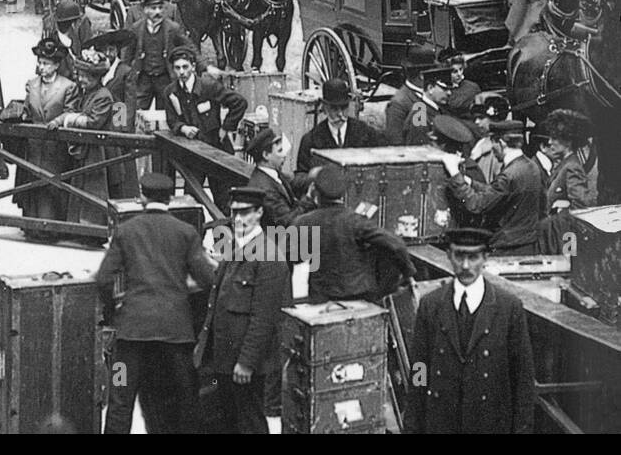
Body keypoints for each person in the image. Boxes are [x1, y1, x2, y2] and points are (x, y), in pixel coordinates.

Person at [97, 172, 218, 434]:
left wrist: (114, 311)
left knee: (119, 398)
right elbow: (208, 279)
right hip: (175, 337)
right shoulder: (186, 233)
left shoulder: (125, 231)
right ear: (170, 199)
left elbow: (103, 279)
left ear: (142, 197)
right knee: (184, 398)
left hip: (129, 337)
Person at [407, 227, 536, 434]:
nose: (466, 266)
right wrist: (413, 424)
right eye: (459, 256)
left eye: (473, 257)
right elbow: (419, 368)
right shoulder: (430, 305)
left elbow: (523, 379)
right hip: (442, 424)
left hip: (490, 424)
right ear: (449, 255)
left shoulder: (508, 308)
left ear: (485, 257)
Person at [195, 186, 291, 435]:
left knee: (250, 424)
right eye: (234, 213)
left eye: (246, 213)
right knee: (227, 422)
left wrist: (247, 363)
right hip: (226, 361)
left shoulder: (268, 256)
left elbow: (264, 318)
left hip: (245, 365)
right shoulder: (237, 249)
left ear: (259, 213)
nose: (238, 219)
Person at [293, 165, 415, 303]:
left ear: (315, 191)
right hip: (359, 298)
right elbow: (397, 245)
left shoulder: (304, 222)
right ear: (344, 192)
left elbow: (287, 257)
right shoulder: (356, 221)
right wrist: (407, 273)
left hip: (321, 298)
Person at [441, 120, 545, 255]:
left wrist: (454, 173)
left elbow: (476, 205)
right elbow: (497, 192)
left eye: (493, 143)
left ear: (501, 143)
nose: (492, 149)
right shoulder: (531, 166)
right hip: (527, 244)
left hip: (507, 248)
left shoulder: (509, 175)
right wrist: (468, 181)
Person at [18, 37, 80, 234]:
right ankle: (32, 226)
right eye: (40, 62)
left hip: (55, 146)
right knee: (33, 184)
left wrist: (57, 122)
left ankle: (54, 228)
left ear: (56, 65)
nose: (41, 67)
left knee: (54, 186)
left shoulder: (68, 87)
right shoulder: (31, 84)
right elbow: (27, 109)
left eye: (45, 63)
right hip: (34, 144)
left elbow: (70, 111)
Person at [52, 55, 116, 231]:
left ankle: (94, 229)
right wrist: (62, 119)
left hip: (97, 150)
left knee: (94, 187)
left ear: (96, 77)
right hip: (85, 147)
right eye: (79, 75)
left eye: (85, 76)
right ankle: (78, 226)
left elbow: (94, 122)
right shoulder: (85, 92)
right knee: (79, 184)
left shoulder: (104, 96)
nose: (80, 80)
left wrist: (69, 119)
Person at [292, 79, 381, 193]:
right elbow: (298, 179)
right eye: (334, 109)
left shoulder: (365, 132)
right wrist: (317, 177)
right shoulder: (311, 140)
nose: (340, 114)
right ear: (324, 107)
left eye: (344, 108)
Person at [162, 48, 247, 154]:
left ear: (193, 67)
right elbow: (172, 120)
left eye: (185, 67)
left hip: (215, 148)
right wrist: (183, 128)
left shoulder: (209, 86)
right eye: (177, 68)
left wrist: (225, 128)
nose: (182, 72)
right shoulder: (171, 92)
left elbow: (239, 102)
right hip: (188, 149)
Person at [129, 0, 193, 110]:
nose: (158, 12)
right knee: (136, 111)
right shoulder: (136, 28)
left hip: (164, 79)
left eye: (160, 8)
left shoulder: (173, 28)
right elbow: (127, 53)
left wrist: (204, 66)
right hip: (143, 79)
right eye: (153, 8)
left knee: (165, 112)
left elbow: (189, 46)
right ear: (145, 10)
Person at [246, 129, 308, 228]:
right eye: (279, 151)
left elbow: (292, 181)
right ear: (266, 155)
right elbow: (287, 222)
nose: (284, 155)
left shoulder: (272, 173)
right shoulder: (265, 189)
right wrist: (309, 200)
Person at [384, 45, 439, 144]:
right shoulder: (398, 104)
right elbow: (395, 142)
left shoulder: (432, 93)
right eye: (433, 72)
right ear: (422, 75)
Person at [541, 109, 594, 212]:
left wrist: (560, 215)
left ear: (568, 141)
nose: (549, 142)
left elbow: (581, 207)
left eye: (554, 138)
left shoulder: (572, 167)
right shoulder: (564, 164)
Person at [403, 67, 453, 145]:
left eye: (450, 89)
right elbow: (418, 149)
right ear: (430, 88)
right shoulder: (420, 116)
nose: (449, 93)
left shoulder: (440, 110)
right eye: (444, 89)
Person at [439, 49, 482, 120]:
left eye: (461, 69)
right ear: (444, 72)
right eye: (454, 71)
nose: (459, 74)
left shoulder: (473, 87)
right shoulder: (440, 91)